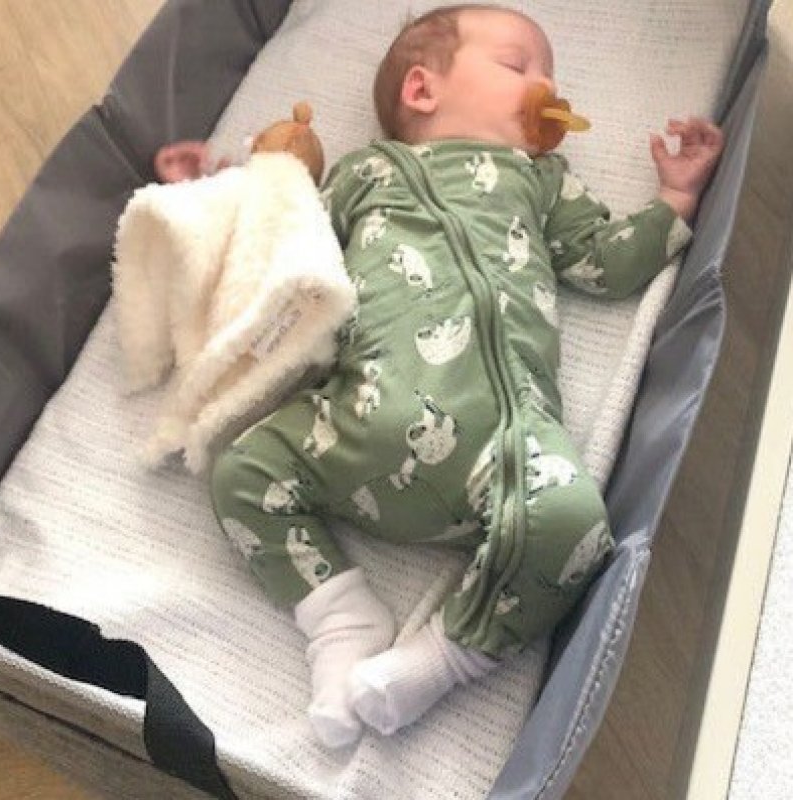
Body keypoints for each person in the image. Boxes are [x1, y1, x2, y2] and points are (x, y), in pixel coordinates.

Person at [205, 3, 724, 748]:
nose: (547, 85)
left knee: (575, 524)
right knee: (241, 472)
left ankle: (446, 656)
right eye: (519, 65)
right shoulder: (361, 173)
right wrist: (233, 204)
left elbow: (604, 264)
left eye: (551, 74)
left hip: (503, 445)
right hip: (358, 418)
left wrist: (675, 198)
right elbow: (293, 254)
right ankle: (340, 618)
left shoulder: (539, 176)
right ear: (422, 90)